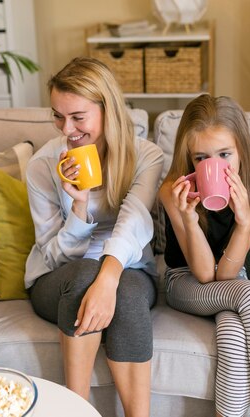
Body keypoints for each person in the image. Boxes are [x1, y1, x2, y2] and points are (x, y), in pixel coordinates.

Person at [24, 57, 164, 417]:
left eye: (77, 117)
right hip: (57, 278)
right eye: (58, 115)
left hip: (128, 271)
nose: (66, 129)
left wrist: (108, 276)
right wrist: (80, 206)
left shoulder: (145, 156)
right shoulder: (43, 166)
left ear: (108, 109)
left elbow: (134, 221)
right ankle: (77, 410)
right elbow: (53, 255)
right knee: (86, 274)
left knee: (128, 291)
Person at [159, 94, 250, 417]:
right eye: (201, 158)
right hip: (186, 282)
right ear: (190, 160)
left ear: (242, 152)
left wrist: (244, 222)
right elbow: (206, 276)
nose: (213, 165)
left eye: (224, 155)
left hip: (232, 282)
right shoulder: (172, 191)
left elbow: (228, 275)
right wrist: (190, 221)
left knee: (233, 336)